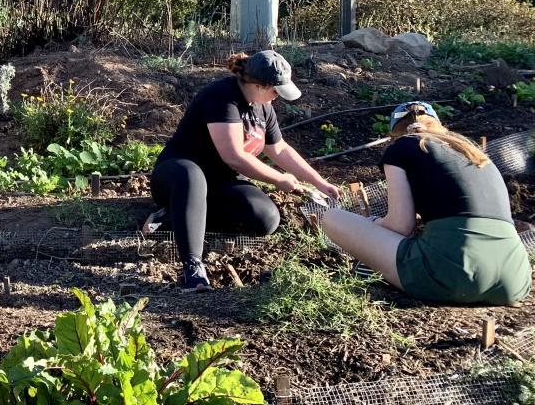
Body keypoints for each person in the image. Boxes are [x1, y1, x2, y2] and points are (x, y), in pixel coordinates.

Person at [151, 50, 341, 292]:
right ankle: (192, 267)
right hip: (177, 176)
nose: (277, 97)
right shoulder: (222, 97)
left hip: (220, 183)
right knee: (192, 176)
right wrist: (279, 179)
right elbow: (234, 157)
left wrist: (320, 182)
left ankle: (174, 217)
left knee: (265, 218)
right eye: (275, 91)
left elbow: (280, 149)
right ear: (260, 85)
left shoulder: (263, 107)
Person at [321, 102, 530, 305]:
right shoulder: (472, 152)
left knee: (332, 217)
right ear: (439, 127)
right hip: (514, 280)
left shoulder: (402, 148)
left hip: (451, 275)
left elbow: (400, 226)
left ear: (394, 135)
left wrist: (372, 224)